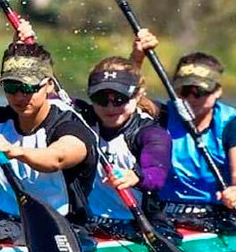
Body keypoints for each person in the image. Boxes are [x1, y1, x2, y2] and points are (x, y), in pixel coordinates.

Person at [132, 31, 236, 234]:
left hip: (217, 213)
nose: (192, 98)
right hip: (165, 212)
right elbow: (129, 99)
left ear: (217, 91)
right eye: (184, 91)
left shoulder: (233, 126)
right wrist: (137, 58)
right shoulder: (163, 115)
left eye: (200, 91)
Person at [0, 42, 98, 245]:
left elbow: (57, 158)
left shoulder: (69, 125)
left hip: (63, 226)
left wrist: (15, 151)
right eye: (11, 87)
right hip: (5, 222)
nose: (19, 96)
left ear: (49, 84)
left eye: (28, 87)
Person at [72, 54, 177, 241]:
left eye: (119, 99)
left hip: (139, 223)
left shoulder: (151, 133)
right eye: (101, 98)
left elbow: (156, 174)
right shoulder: (80, 118)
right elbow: (43, 90)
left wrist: (136, 177)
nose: (110, 107)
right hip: (89, 223)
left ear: (137, 95)